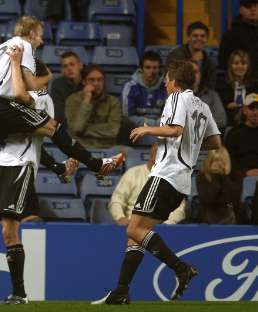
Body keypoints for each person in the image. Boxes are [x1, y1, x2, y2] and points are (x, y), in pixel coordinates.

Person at [92, 59, 221, 305]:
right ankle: (121, 291)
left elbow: (174, 130)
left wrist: (147, 130)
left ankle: (181, 269)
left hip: (166, 175)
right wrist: (192, 145)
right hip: (182, 182)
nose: (164, 84)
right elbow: (216, 143)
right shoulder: (203, 106)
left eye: (166, 80)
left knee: (133, 229)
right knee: (138, 235)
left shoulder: (177, 98)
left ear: (174, 81)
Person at [0, 48, 80, 305]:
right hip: (2, 163)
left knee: (8, 230)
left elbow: (37, 142)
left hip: (21, 166)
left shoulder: (42, 100)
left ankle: (19, 294)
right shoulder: (15, 98)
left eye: (26, 72)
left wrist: (59, 167)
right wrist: (60, 169)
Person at [0, 15, 123, 179]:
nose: (41, 41)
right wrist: (48, 76)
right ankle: (97, 165)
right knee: (52, 126)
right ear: (31, 33)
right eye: (40, 35)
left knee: (30, 136)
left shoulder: (0, 47)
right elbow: (30, 86)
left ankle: (60, 169)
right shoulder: (24, 46)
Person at [109, 144, 187, 225]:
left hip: (162, 227)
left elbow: (179, 209)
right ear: (151, 156)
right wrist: (120, 218)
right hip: (131, 225)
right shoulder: (132, 173)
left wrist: (167, 225)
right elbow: (117, 200)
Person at [65, 64, 122, 148]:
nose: (96, 83)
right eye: (92, 80)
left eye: (100, 80)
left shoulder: (113, 102)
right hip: (81, 147)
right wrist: (86, 101)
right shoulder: (73, 100)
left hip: (106, 147)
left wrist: (84, 130)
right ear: (84, 81)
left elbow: (113, 130)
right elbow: (77, 128)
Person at [122, 50, 167, 127]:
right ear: (141, 68)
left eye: (155, 68)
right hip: (136, 129)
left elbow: (170, 115)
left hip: (161, 129)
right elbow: (127, 116)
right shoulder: (131, 87)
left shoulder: (166, 86)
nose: (151, 71)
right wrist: (152, 124)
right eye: (148, 67)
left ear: (159, 69)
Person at [166, 21, 217, 90]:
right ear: (188, 38)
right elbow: (172, 81)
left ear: (206, 39)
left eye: (203, 36)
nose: (199, 39)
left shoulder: (210, 62)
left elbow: (210, 87)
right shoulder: (176, 56)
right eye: (195, 36)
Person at [219, 0, 258, 86]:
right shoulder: (231, 35)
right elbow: (224, 63)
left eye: (256, 5)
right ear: (240, 9)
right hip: (240, 84)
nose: (253, 9)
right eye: (248, 6)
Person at [196, 146, 239, 224]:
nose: (219, 164)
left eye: (222, 161)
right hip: (207, 217)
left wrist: (223, 177)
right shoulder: (202, 176)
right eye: (216, 160)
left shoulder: (231, 177)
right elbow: (209, 199)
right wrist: (215, 176)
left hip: (228, 218)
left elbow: (231, 198)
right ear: (209, 161)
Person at [215, 50, 255, 126]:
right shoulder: (222, 84)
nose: (240, 66)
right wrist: (245, 102)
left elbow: (255, 101)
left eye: (243, 63)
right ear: (231, 65)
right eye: (236, 63)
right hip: (228, 123)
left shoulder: (253, 84)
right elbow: (226, 105)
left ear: (248, 66)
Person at [225, 93, 258, 179]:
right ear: (244, 110)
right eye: (252, 108)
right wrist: (245, 173)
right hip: (241, 178)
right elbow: (228, 160)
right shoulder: (234, 133)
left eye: (257, 108)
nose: (256, 112)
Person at [191, 61, 227, 130]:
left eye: (195, 72)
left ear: (200, 75)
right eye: (189, 72)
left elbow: (221, 120)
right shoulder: (176, 96)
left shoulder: (212, 96)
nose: (192, 75)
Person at [50, 51, 84, 124]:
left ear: (80, 66)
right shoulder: (57, 85)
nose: (69, 68)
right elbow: (59, 114)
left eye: (72, 64)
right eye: (65, 66)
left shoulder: (89, 81)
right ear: (62, 71)